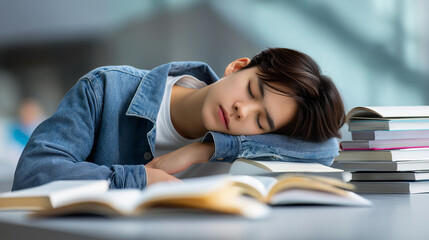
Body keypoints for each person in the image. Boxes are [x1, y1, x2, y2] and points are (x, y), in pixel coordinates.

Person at [12, 48, 345, 191]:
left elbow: (326, 149)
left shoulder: (236, 147)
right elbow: (33, 175)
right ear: (236, 67)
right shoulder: (106, 88)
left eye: (261, 121)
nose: (243, 111)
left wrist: (207, 150)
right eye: (252, 91)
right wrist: (141, 178)